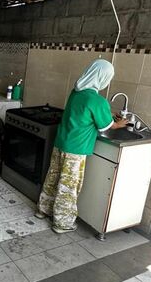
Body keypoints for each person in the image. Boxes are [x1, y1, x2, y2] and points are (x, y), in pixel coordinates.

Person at [35, 59, 127, 233]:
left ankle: (43, 210)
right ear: (103, 77)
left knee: (53, 177)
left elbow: (85, 112)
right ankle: (62, 223)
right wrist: (121, 123)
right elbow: (108, 127)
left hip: (61, 142)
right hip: (76, 149)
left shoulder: (76, 92)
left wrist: (108, 113)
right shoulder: (98, 101)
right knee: (68, 186)